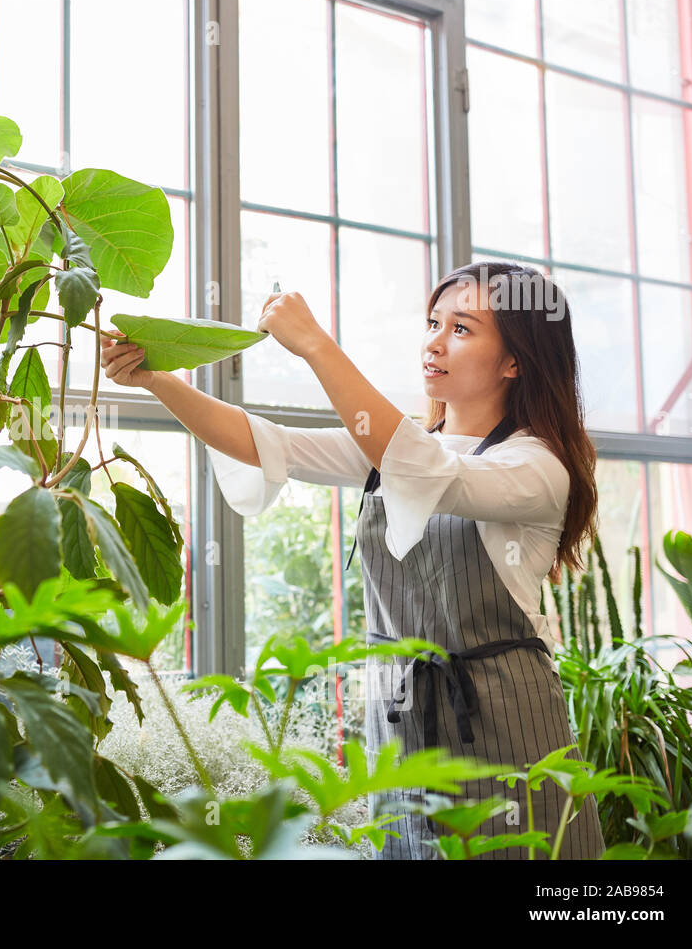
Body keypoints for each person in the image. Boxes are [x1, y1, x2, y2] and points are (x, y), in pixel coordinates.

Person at [99, 261, 607, 860]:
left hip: (503, 719)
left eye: (463, 329)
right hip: (401, 721)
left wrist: (316, 346)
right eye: (432, 323)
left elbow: (424, 468)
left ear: (514, 360)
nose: (435, 343)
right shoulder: (393, 450)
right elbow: (264, 442)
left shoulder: (535, 466)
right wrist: (158, 379)